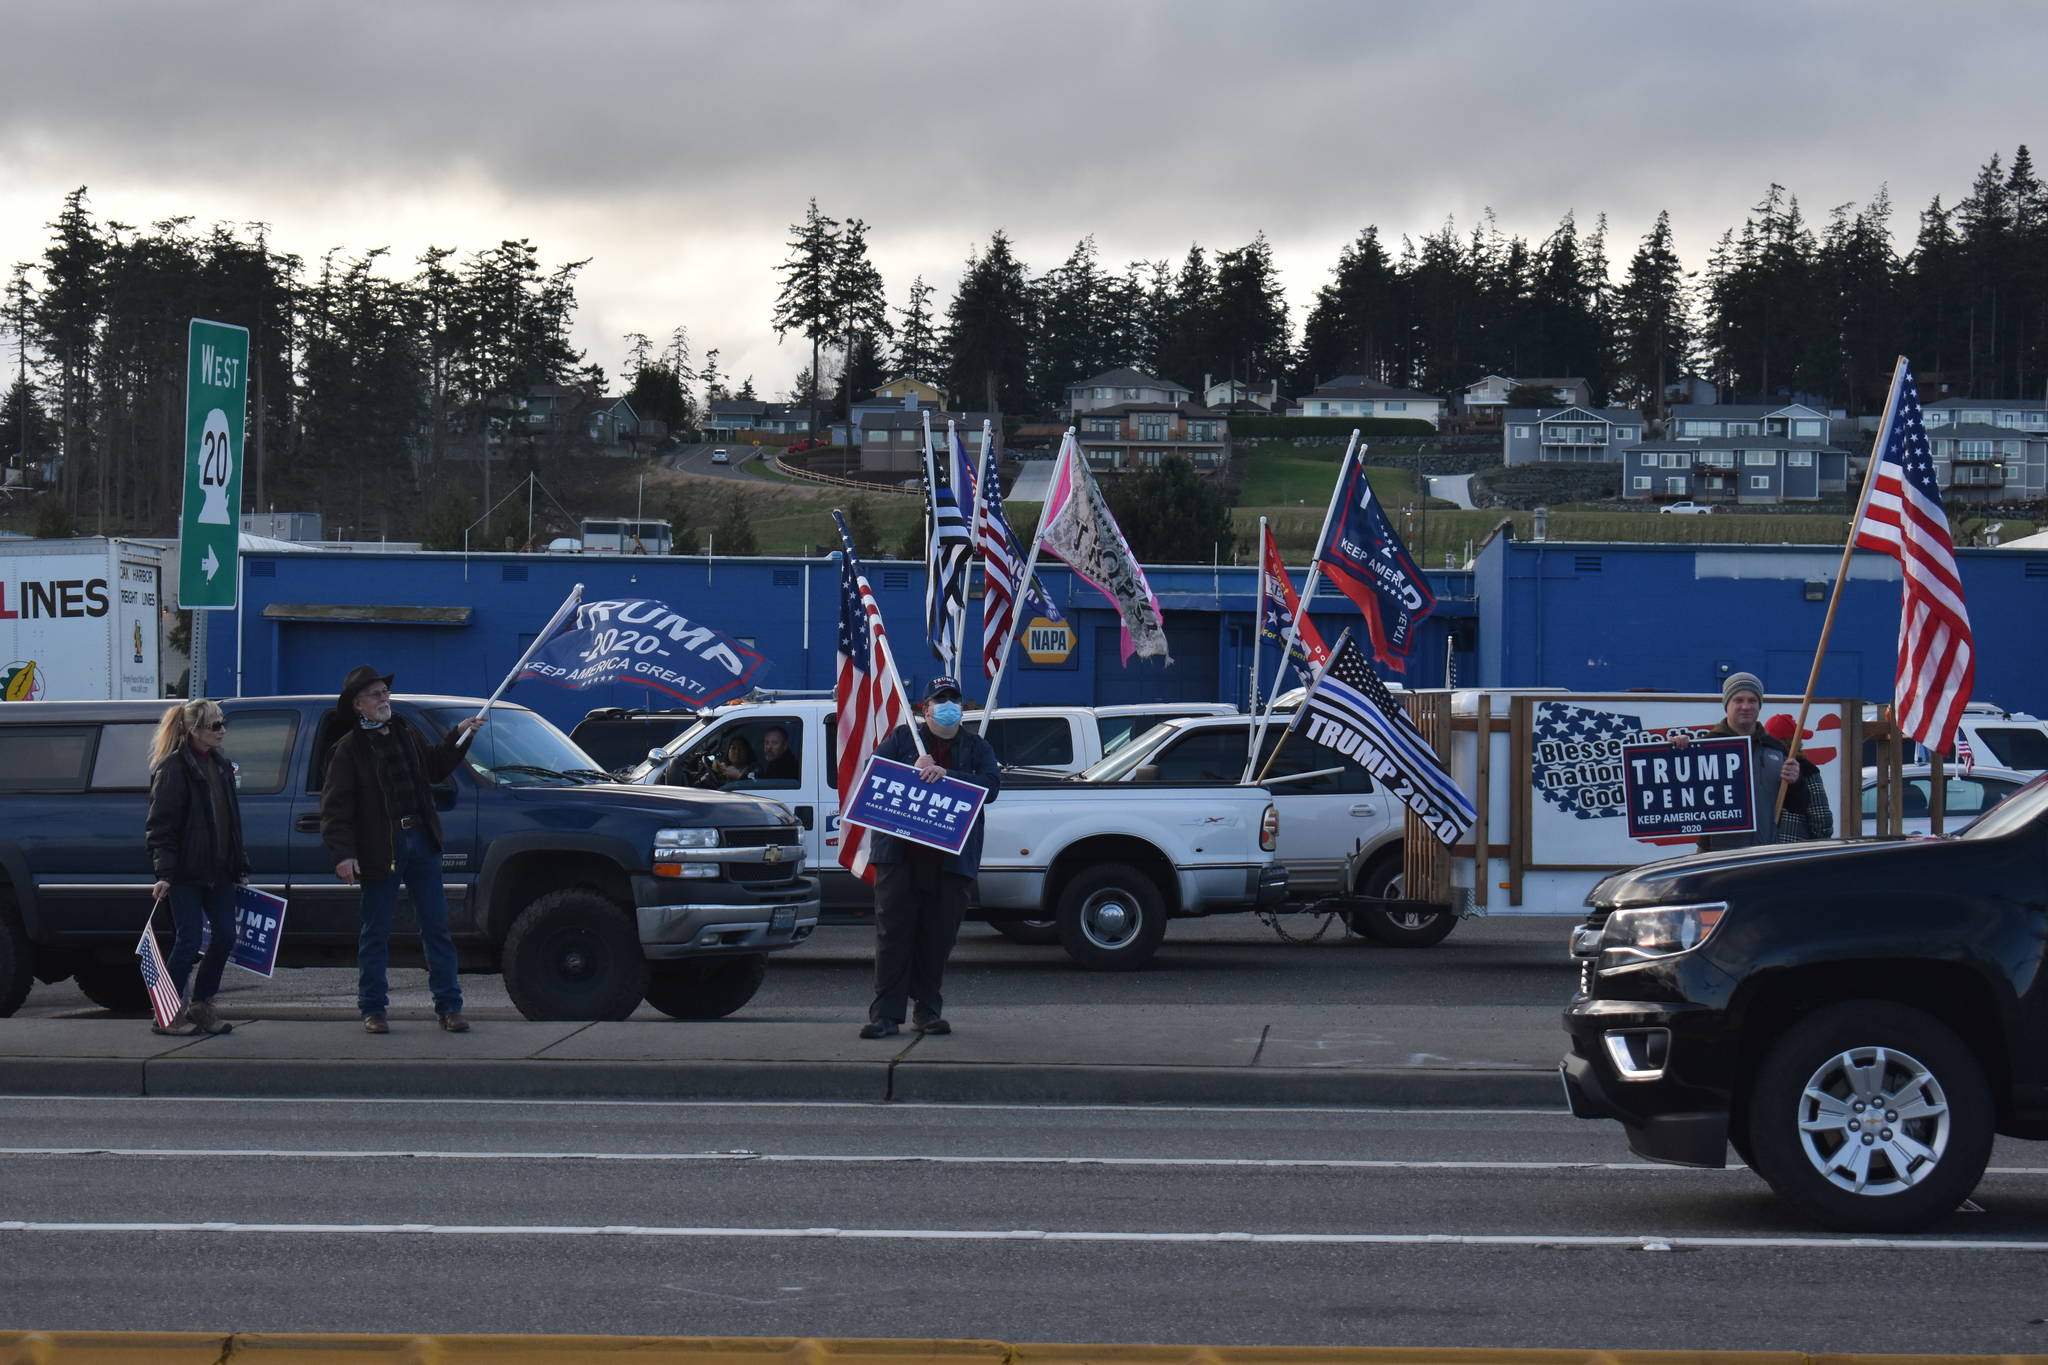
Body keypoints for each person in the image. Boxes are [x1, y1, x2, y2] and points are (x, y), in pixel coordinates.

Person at [319, 665, 484, 1034]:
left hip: (421, 839)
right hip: (381, 847)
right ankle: (373, 1009)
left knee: (436, 926)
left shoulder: (405, 732)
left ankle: (449, 1007)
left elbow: (434, 767)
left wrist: (460, 735)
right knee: (376, 930)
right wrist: (344, 854)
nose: (384, 699)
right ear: (358, 705)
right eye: (376, 695)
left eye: (385, 693)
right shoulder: (348, 750)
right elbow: (335, 808)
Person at [860, 676, 1002, 1039]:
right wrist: (911, 770)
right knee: (893, 935)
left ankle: (927, 1011)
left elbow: (991, 786)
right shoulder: (902, 740)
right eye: (941, 699)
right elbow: (871, 778)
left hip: (951, 861)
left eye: (954, 698)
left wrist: (949, 776)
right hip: (900, 856)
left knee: (938, 937)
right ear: (925, 708)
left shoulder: (975, 747)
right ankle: (885, 1016)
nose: (949, 704)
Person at [143, 699, 246, 1036]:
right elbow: (161, 826)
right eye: (214, 726)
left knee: (226, 937)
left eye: (222, 723)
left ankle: (201, 1004)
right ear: (194, 731)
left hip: (219, 870)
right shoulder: (174, 768)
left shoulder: (220, 766)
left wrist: (239, 865)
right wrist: (165, 874)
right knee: (188, 942)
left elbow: (231, 822)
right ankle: (167, 1013)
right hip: (186, 872)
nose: (222, 731)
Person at [1680, 672, 1816, 852]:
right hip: (1716, 853)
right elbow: (1681, 796)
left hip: (1766, 851)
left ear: (1759, 706)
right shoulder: (1706, 747)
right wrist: (1676, 752)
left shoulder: (1776, 748)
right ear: (1726, 705)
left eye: (1752, 700)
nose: (1746, 706)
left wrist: (1796, 782)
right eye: (1738, 700)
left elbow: (1797, 806)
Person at [1763, 712, 1835, 843]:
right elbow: (1821, 819)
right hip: (1794, 850)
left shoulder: (1759, 766)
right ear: (1793, 741)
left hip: (1760, 850)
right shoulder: (1806, 770)